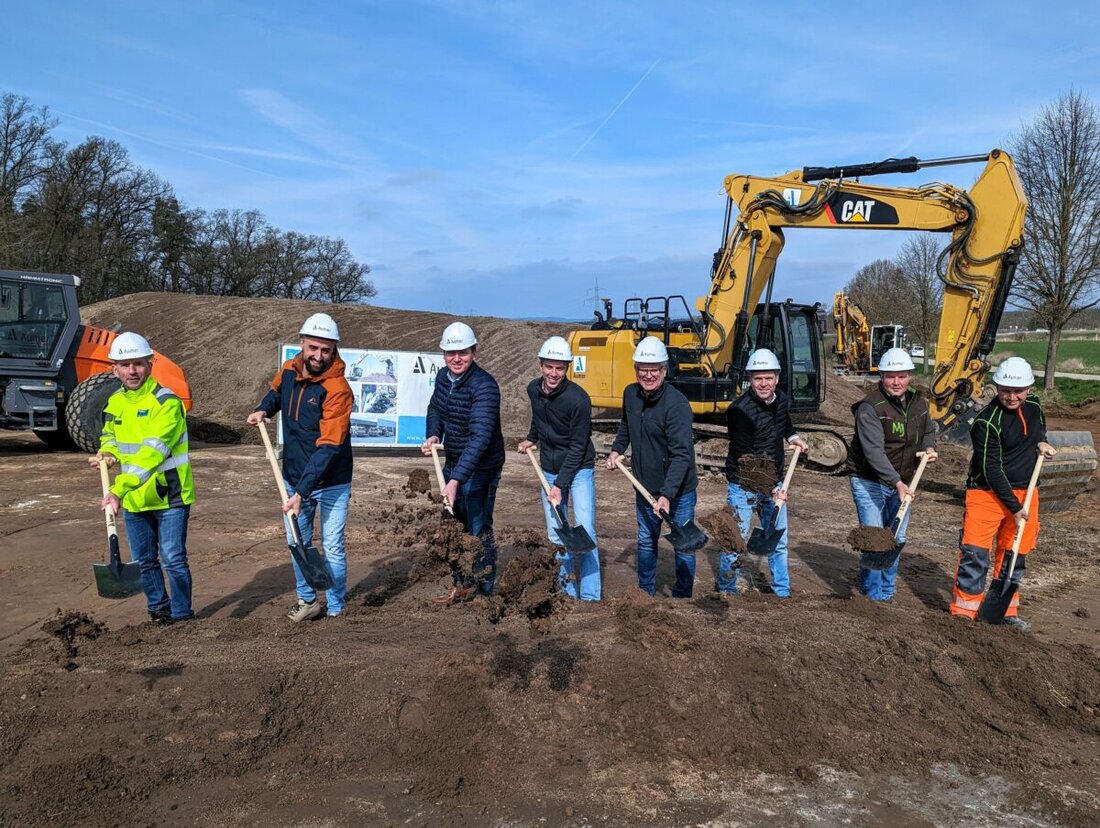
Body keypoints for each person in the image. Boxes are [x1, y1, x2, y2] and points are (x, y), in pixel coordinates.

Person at [248, 312, 353, 622]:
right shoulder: (290, 370)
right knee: (297, 542)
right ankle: (308, 601)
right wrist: (262, 409)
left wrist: (303, 492)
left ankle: (335, 606)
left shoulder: (337, 389)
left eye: (326, 350)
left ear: (334, 350)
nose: (319, 356)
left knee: (331, 546)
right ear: (302, 344)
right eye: (314, 348)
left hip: (331, 480)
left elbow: (329, 446)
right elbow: (277, 393)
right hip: (294, 477)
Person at [89, 332, 195, 624]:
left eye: (138, 364)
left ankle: (182, 614)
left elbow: (152, 452)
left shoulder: (168, 403)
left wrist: (118, 489)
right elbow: (110, 435)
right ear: (114, 369)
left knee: (173, 559)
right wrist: (107, 453)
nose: (132, 371)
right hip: (136, 498)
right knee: (146, 561)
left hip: (169, 495)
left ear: (149, 365)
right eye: (125, 365)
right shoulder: (115, 402)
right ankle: (158, 610)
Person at [950, 357, 1056, 631]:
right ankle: (964, 612)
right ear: (996, 388)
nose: (1011, 397)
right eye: (1005, 390)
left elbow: (1038, 428)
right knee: (975, 553)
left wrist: (1042, 441)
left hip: (1026, 490)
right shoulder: (987, 422)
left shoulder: (1033, 406)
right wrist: (1014, 506)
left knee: (1014, 552)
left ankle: (1006, 611)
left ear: (1029, 388)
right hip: (986, 494)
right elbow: (990, 469)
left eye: (1017, 391)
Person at [606, 336, 698, 598]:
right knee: (647, 541)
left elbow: (682, 456)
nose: (648, 375)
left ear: (664, 370)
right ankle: (645, 593)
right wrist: (616, 449)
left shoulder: (677, 405)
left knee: (683, 544)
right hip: (644, 486)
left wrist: (667, 494)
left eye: (654, 370)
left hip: (678, 491)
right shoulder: (630, 394)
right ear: (636, 370)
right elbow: (626, 426)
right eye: (642, 370)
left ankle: (683, 595)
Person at [421, 321, 505, 603]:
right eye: (451, 353)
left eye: (463, 352)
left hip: (482, 465)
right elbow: (435, 407)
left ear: (474, 352)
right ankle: (461, 584)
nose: (456, 359)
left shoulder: (485, 387)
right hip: (456, 459)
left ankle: (484, 589)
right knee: (453, 524)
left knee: (478, 525)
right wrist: (433, 433)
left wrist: (455, 480)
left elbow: (480, 438)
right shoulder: (444, 378)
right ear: (444, 354)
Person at [717, 348, 810, 597]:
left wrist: (793, 437)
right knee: (734, 539)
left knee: (778, 539)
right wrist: (774, 489)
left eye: (768, 378)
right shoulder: (739, 411)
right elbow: (746, 458)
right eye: (758, 378)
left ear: (777, 378)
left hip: (774, 482)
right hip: (744, 483)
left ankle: (781, 591)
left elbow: (784, 422)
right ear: (750, 380)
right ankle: (727, 589)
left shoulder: (780, 400)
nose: (764, 383)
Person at [847, 348, 937, 601]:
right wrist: (896, 482)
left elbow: (929, 430)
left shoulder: (919, 404)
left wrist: (930, 447)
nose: (896, 382)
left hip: (904, 479)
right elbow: (873, 452)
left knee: (897, 536)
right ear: (882, 377)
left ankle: (886, 593)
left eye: (901, 376)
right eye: (890, 376)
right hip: (869, 479)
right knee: (875, 537)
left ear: (910, 376)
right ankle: (872, 596)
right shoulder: (869, 407)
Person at [518, 336, 600, 601]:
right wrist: (532, 438)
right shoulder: (533, 389)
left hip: (578, 470)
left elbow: (578, 447)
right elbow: (539, 417)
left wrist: (559, 485)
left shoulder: (578, 400)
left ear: (568, 368)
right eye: (549, 367)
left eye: (560, 368)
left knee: (584, 529)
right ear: (541, 365)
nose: (554, 374)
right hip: (549, 469)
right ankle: (566, 592)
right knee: (557, 532)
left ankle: (589, 596)